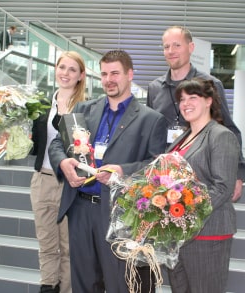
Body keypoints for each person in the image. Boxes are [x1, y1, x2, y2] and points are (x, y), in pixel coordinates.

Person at [48, 49, 167, 292]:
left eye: (115, 73)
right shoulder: (84, 109)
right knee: (82, 284)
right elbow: (57, 144)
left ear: (130, 74)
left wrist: (123, 170)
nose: (108, 80)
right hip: (80, 209)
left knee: (119, 284)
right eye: (104, 74)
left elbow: (157, 168)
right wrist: (63, 163)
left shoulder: (151, 119)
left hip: (119, 213)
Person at [147, 25, 245, 202]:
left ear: (191, 48)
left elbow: (228, 128)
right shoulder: (154, 88)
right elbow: (149, 132)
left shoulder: (210, 85)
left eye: (177, 45)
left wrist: (238, 174)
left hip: (202, 175)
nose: (171, 51)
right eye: (166, 46)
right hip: (163, 178)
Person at [166, 77, 239, 293]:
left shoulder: (221, 136)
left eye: (193, 98)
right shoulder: (183, 137)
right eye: (182, 99)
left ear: (209, 101)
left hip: (207, 233)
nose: (185, 103)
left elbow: (223, 188)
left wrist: (183, 208)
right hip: (179, 234)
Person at [30, 51, 86, 293]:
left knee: (68, 248)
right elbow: (36, 145)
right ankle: (47, 287)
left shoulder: (85, 106)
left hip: (69, 184)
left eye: (72, 69)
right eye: (62, 67)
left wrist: (64, 113)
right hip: (41, 180)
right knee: (46, 244)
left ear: (81, 76)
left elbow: (79, 147)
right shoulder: (42, 104)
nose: (66, 73)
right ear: (55, 69)